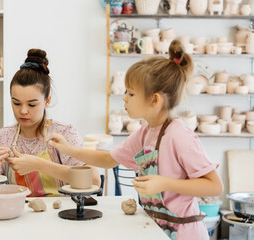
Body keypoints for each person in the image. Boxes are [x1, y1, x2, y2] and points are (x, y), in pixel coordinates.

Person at [49, 40, 223, 239]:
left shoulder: (179, 136)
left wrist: (164, 183)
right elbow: (109, 160)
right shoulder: (146, 132)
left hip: (184, 234)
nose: (124, 98)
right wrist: (68, 149)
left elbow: (214, 186)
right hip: (158, 229)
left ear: (154, 100)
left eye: (131, 93)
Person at [0, 49, 100, 197]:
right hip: (16, 213)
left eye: (32, 105)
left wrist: (39, 165)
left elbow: (94, 180)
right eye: (16, 103)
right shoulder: (3, 136)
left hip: (57, 214)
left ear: (47, 101)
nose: (23, 111)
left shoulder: (63, 133)